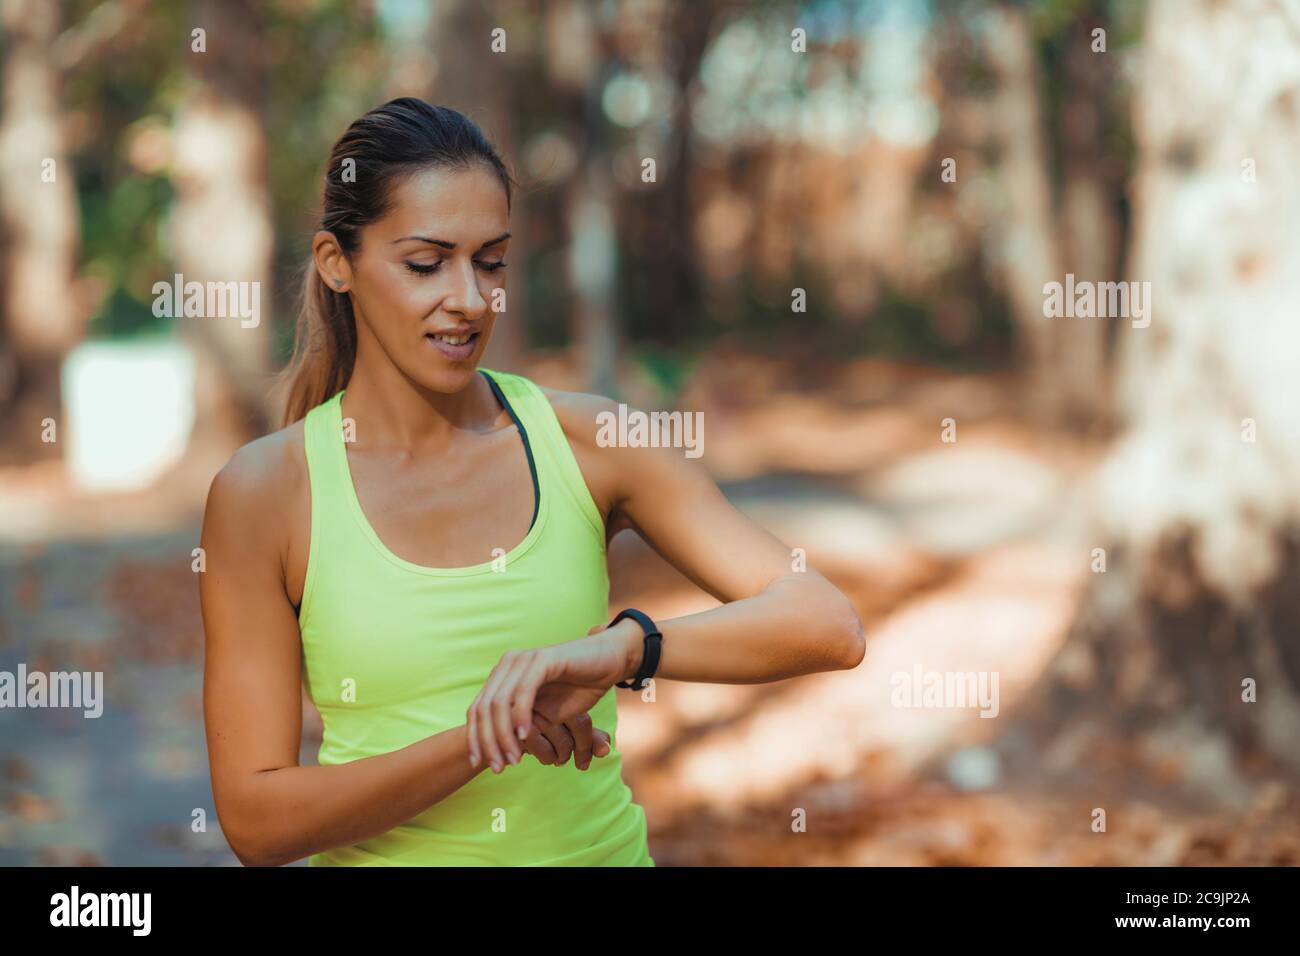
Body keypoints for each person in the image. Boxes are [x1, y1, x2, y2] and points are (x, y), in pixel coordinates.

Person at [198, 97, 865, 867]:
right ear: (336, 263)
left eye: (490, 261)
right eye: (425, 263)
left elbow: (826, 623)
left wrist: (624, 651)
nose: (471, 300)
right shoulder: (266, 492)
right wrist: (486, 737)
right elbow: (257, 819)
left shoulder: (589, 440)